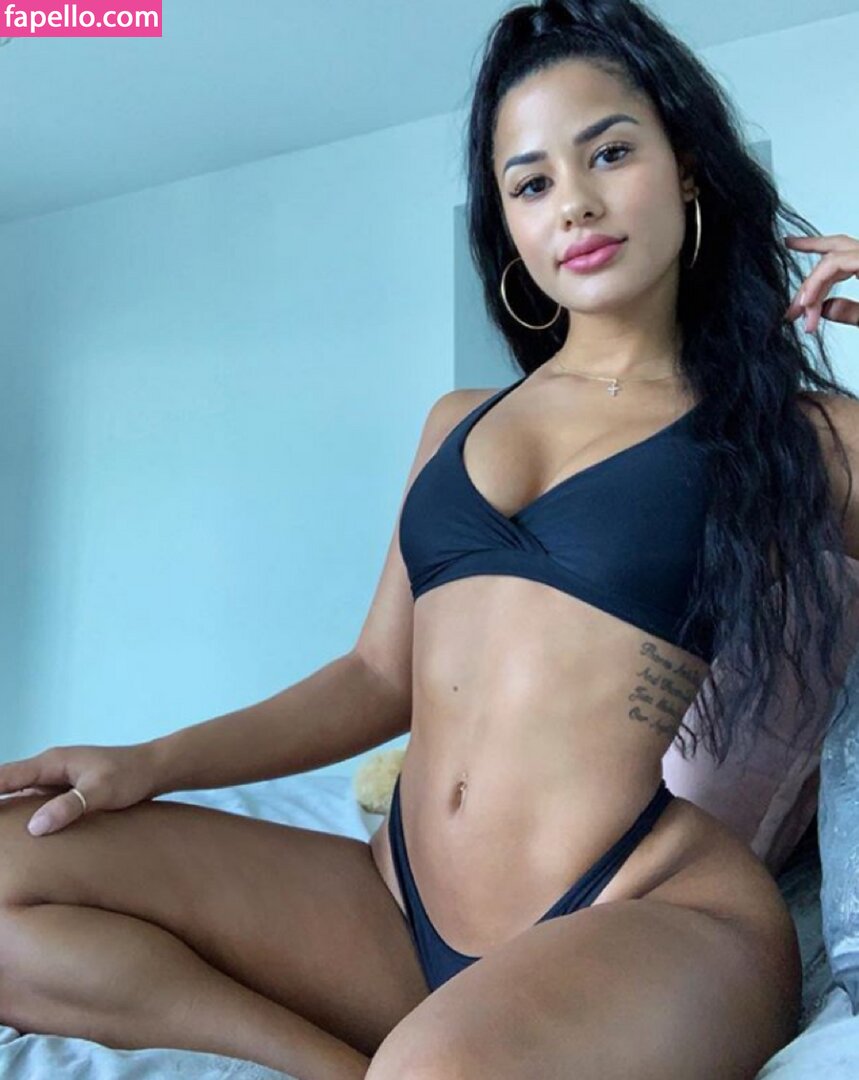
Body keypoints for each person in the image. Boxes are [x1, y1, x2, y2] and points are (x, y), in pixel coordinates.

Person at [1, 2, 858, 1078]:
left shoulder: (798, 434)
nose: (575, 202)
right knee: (11, 865)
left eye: (610, 152)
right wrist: (147, 763)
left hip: (644, 909)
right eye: (530, 182)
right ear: (507, 222)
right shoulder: (456, 423)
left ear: (685, 169)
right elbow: (376, 676)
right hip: (394, 904)